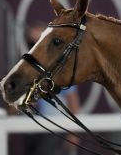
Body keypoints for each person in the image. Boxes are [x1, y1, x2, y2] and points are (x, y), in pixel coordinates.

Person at [24, 22, 81, 155]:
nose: (35, 48)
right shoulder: (25, 71)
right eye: (32, 44)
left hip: (55, 129)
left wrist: (74, 133)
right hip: (31, 130)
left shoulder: (59, 70)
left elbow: (73, 103)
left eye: (39, 42)